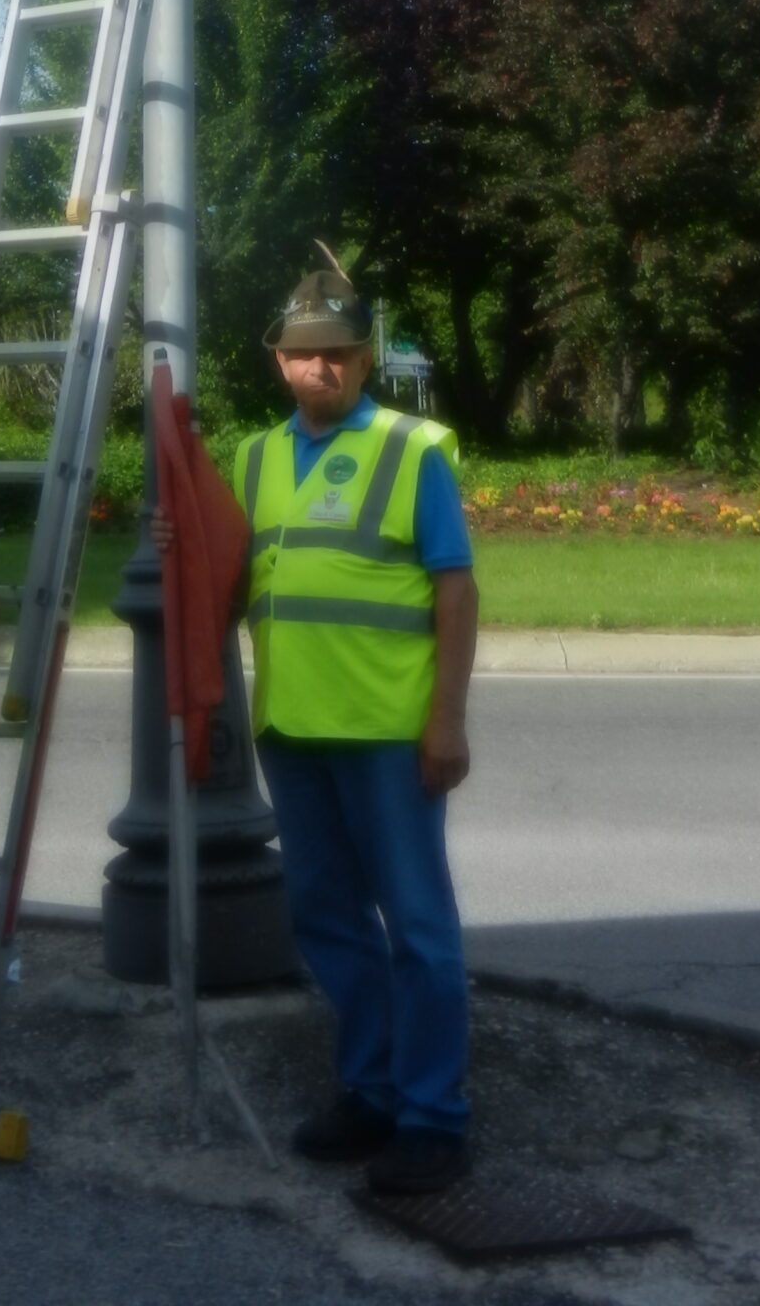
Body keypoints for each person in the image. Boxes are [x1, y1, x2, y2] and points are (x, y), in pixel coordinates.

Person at [237, 251, 478, 1196]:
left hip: (387, 730)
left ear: (365, 357)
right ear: (279, 364)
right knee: (325, 916)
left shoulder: (413, 450)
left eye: (338, 352)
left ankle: (432, 1117)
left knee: (418, 926)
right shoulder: (255, 457)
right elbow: (234, 576)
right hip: (292, 727)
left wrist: (446, 719)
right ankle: (372, 1090)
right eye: (304, 355)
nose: (321, 368)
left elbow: (453, 590)